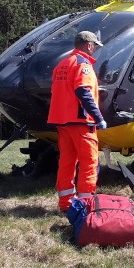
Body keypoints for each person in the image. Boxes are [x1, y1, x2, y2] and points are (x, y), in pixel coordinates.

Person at [47, 31, 108, 212]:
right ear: (89, 45)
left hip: (62, 122)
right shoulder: (84, 65)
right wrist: (98, 117)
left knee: (67, 162)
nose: (95, 49)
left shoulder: (62, 64)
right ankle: (85, 205)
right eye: (95, 46)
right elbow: (83, 92)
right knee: (89, 163)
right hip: (82, 123)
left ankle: (66, 204)